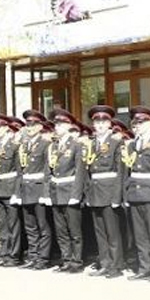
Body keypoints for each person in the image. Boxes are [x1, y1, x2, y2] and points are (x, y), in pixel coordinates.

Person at [123, 107, 150, 282]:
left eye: (141, 122)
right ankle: (144, 267)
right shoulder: (133, 144)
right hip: (135, 193)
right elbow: (129, 171)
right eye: (135, 123)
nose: (138, 126)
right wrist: (127, 193)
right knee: (140, 234)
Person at [83, 105, 125, 278]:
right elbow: (86, 171)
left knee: (112, 231)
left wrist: (117, 196)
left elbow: (120, 171)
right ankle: (105, 263)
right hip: (94, 192)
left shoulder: (116, 142)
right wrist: (87, 193)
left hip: (109, 191)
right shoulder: (91, 144)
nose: (100, 125)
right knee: (100, 231)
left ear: (109, 124)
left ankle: (116, 265)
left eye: (103, 122)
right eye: (97, 122)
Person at [48, 109, 88, 273]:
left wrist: (76, 195)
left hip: (70, 191)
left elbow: (80, 172)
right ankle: (66, 260)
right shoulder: (54, 146)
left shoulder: (76, 145)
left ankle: (76, 262)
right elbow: (50, 171)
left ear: (68, 125)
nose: (57, 127)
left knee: (74, 231)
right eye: (56, 124)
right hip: (57, 192)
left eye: (60, 124)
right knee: (61, 231)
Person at [16, 109, 53, 269]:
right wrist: (18, 192)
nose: (29, 128)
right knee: (30, 226)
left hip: (39, 189)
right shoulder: (23, 146)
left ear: (40, 127)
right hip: (26, 189)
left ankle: (43, 258)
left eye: (33, 125)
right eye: (27, 125)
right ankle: (33, 256)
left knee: (43, 226)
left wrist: (46, 193)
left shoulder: (46, 145)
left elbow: (47, 170)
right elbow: (20, 171)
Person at [0, 114, 23, 266]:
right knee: (2, 224)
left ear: (7, 128)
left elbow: (19, 171)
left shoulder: (15, 146)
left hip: (10, 188)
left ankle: (15, 255)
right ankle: (5, 253)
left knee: (13, 224)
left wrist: (16, 192)